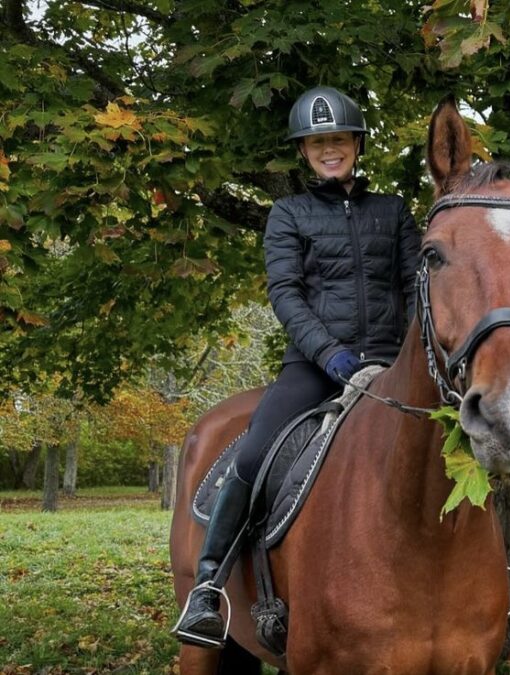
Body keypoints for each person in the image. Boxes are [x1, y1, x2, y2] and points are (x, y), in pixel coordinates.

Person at [173, 86, 422, 648]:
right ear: (304, 153)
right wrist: (330, 354)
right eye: (316, 143)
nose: (328, 150)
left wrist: (402, 356)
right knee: (256, 451)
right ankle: (209, 586)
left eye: (337, 139)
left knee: (460, 444)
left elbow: (416, 288)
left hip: (391, 364)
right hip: (315, 365)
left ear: (356, 144)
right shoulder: (288, 214)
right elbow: (286, 294)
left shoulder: (394, 212)